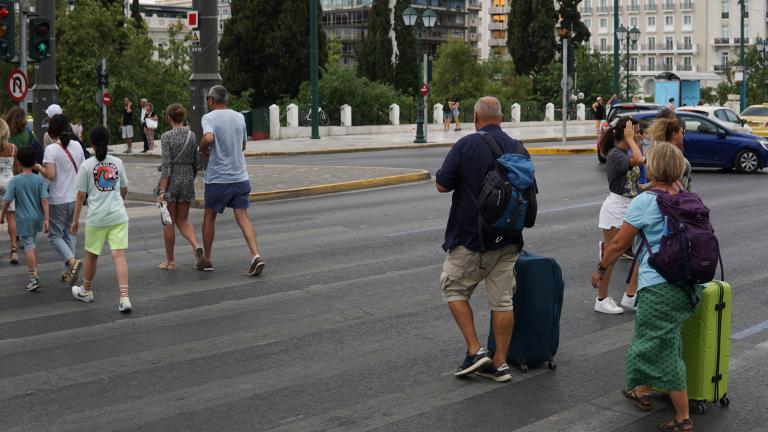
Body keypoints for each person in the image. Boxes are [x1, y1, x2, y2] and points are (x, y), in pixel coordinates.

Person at [592, 142, 699, 432]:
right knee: (665, 340)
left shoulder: (646, 201)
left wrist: (601, 270)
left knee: (655, 347)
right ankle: (640, 388)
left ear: (654, 168)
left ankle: (682, 417)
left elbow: (617, 244)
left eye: (648, 161)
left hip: (659, 287)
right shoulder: (686, 196)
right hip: (687, 285)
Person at [435, 96, 538, 383]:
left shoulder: (467, 144)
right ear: (501, 118)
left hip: (472, 237)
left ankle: (475, 350)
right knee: (503, 301)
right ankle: (501, 364)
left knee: (453, 288)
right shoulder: (519, 148)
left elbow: (442, 185)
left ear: (476, 118)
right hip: (509, 239)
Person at [199, 85, 265, 276]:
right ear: (226, 100)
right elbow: (243, 145)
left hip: (217, 178)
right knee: (243, 217)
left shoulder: (209, 117)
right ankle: (255, 255)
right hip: (240, 176)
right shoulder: (239, 117)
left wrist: (202, 148)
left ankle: (208, 259)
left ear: (211, 100)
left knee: (209, 216)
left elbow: (209, 138)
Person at [71, 126, 132, 313]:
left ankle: (87, 291)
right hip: (118, 216)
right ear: (108, 140)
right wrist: (118, 201)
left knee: (91, 255)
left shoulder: (86, 166)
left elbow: (81, 196)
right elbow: (124, 188)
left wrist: (75, 221)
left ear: (91, 143)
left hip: (96, 218)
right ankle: (124, 298)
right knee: (119, 255)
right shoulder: (117, 162)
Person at [595, 117, 645, 314]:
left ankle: (630, 296)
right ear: (627, 133)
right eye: (636, 132)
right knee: (611, 255)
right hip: (616, 208)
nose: (639, 135)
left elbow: (634, 183)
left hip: (630, 206)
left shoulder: (624, 152)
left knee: (641, 251)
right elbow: (640, 160)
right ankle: (601, 298)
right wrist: (633, 140)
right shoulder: (616, 154)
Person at [36, 114, 84, 285]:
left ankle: (72, 262)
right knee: (69, 233)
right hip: (75, 197)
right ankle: (68, 271)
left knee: (55, 235)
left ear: (52, 130)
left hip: (58, 198)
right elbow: (83, 171)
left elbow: (50, 175)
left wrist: (39, 168)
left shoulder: (51, 150)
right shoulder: (78, 146)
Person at [156, 103, 204, 271]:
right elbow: (196, 162)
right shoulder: (192, 135)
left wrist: (162, 189)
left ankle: (170, 261)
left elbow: (167, 163)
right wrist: (189, 178)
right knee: (183, 220)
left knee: (169, 221)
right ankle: (196, 245)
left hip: (172, 180)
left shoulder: (166, 136)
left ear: (169, 117)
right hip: (187, 179)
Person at [1, 146, 49, 292]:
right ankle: (35, 270)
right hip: (37, 218)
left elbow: (7, 200)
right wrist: (47, 219)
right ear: (35, 161)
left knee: (28, 246)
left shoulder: (15, 181)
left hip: (24, 218)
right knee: (32, 243)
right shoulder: (39, 180)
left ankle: (33, 278)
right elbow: (44, 200)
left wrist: (2, 214)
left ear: (19, 162)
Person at [648, 116, 692, 191]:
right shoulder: (675, 158)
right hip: (675, 197)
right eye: (681, 132)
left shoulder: (656, 153)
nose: (683, 136)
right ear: (674, 134)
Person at [0, 119, 20, 264]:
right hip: (10, 185)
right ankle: (14, 250)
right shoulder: (13, 148)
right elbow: (16, 171)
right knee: (11, 218)